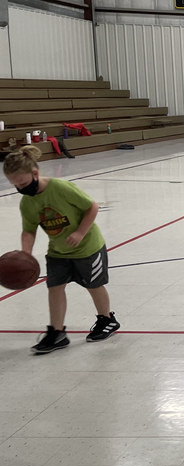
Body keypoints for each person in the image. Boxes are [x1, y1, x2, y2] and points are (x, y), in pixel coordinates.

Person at [4, 145, 120, 354]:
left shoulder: (61, 188)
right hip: (58, 251)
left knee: (93, 286)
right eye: (15, 186)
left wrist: (80, 233)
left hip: (87, 247)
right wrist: (25, 254)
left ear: (35, 173)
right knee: (55, 288)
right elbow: (29, 230)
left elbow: (91, 207)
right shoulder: (27, 203)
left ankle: (107, 320)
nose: (20, 189)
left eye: (22, 183)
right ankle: (57, 332)